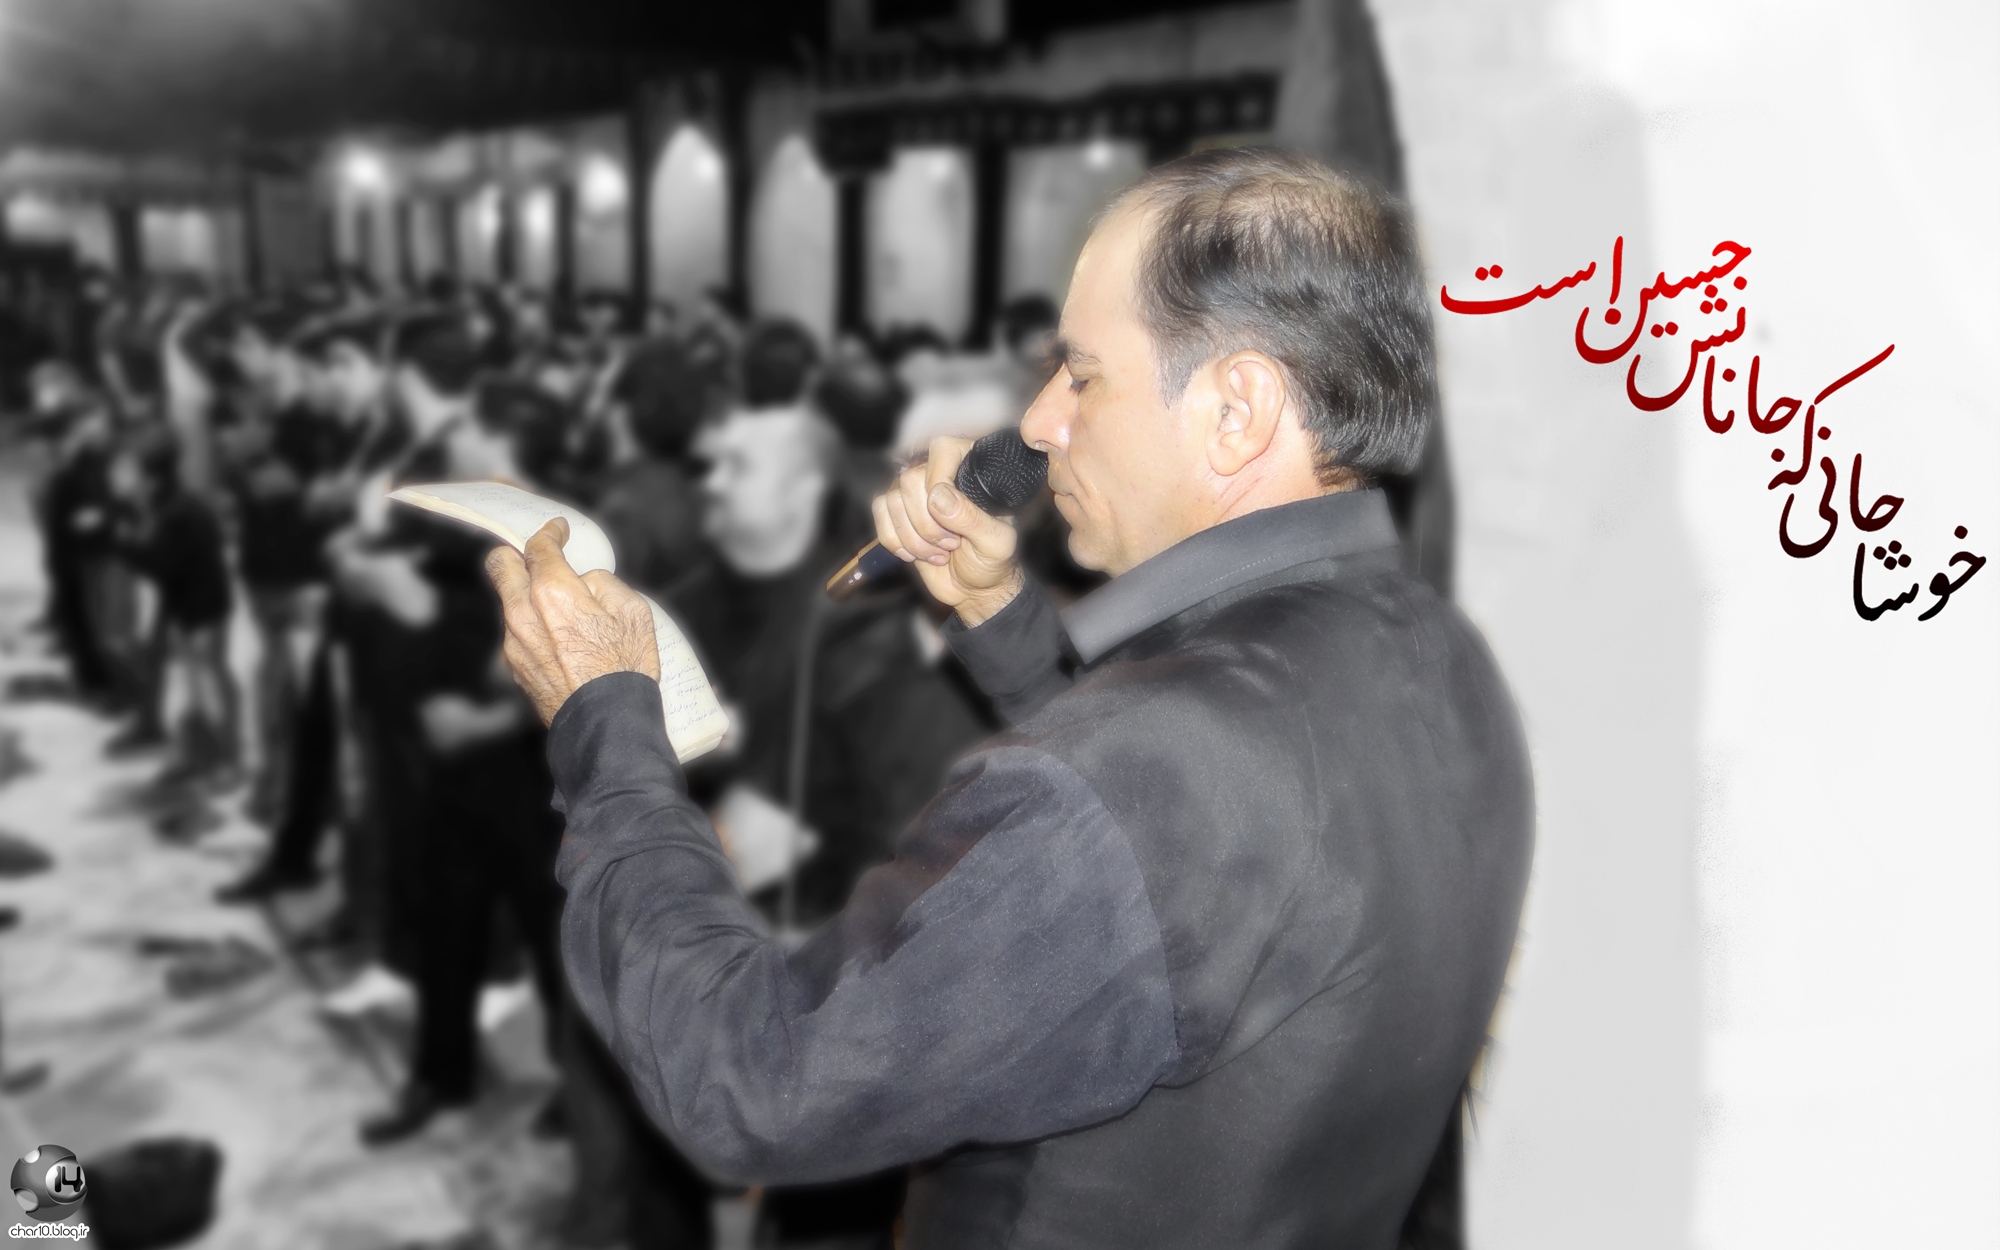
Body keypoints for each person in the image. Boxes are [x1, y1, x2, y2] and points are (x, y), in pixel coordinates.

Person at [486, 149, 1533, 1249]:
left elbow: (753, 1080)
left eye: (1082, 375)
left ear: (1238, 409)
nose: (1038, 423)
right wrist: (998, 613)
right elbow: (1203, 867)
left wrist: (606, 719)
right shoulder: (1441, 658)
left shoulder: (1154, 775)